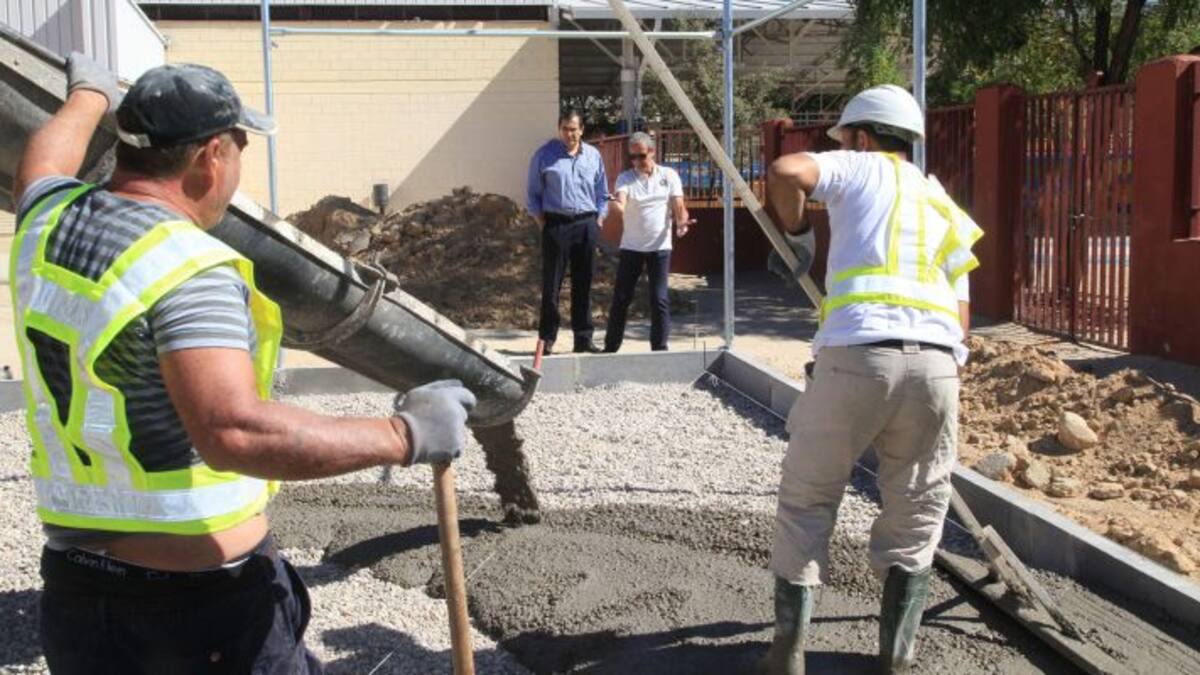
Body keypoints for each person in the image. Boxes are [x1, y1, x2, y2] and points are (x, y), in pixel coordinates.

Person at [11, 55, 476, 674]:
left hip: (78, 597)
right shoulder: (184, 268)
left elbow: (44, 161)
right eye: (240, 146)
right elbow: (234, 432)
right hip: (197, 615)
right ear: (211, 156)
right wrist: (404, 434)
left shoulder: (47, 220)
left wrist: (87, 95)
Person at [761, 84, 983, 674]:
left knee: (809, 498)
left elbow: (786, 170)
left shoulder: (859, 166)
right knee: (916, 514)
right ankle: (896, 656)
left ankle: (787, 650)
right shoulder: (943, 205)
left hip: (856, 356)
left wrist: (799, 236)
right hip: (938, 367)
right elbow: (962, 319)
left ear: (862, 136)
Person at [601, 132, 693, 352]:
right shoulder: (625, 178)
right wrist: (615, 206)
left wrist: (682, 222)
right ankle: (610, 347)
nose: (636, 162)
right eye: (632, 157)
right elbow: (620, 201)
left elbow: (678, 205)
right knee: (622, 298)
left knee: (659, 298)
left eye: (641, 156)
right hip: (632, 247)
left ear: (652, 152)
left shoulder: (669, 175)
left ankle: (660, 348)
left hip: (660, 247)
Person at [527, 109, 609, 354]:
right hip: (556, 225)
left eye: (573, 129)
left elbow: (602, 192)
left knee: (583, 285)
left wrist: (599, 219)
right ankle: (547, 340)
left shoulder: (593, 156)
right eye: (564, 128)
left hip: (586, 225)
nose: (569, 134)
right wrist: (544, 224)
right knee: (552, 286)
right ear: (559, 129)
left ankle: (583, 339)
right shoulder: (544, 156)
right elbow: (533, 195)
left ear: (581, 130)